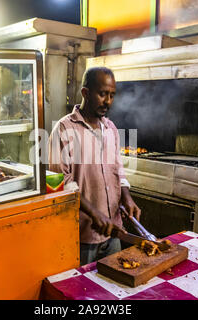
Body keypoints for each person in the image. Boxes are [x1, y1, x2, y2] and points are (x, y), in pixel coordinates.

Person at [48, 66, 141, 265]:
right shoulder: (64, 128)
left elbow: (118, 169)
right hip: (82, 234)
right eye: (102, 94)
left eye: (112, 95)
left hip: (114, 232)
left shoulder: (111, 129)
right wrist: (94, 213)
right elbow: (60, 181)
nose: (108, 101)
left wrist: (127, 197)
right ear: (85, 93)